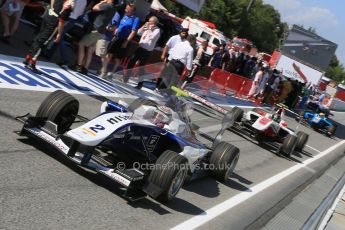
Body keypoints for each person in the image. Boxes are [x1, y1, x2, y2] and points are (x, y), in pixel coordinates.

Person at [23, 0, 75, 72]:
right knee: (43, 42)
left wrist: (52, 8)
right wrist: (59, 33)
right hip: (53, 22)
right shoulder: (68, 5)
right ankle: (32, 62)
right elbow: (61, 20)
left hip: (48, 16)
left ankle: (28, 57)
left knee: (39, 37)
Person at [75, 0, 115, 75]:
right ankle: (85, 68)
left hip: (96, 29)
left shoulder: (107, 5)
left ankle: (79, 66)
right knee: (90, 49)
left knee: (81, 44)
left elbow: (94, 8)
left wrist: (102, 2)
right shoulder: (113, 8)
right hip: (101, 31)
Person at [43, 0, 87, 66]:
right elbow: (81, 12)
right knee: (58, 35)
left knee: (59, 35)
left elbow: (69, 7)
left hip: (68, 17)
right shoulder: (84, 1)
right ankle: (48, 53)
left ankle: (64, 58)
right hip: (73, 19)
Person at [103, 3, 139, 78]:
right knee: (109, 54)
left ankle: (112, 73)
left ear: (132, 10)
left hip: (124, 40)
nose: (125, 10)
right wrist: (115, 31)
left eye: (127, 9)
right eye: (125, 8)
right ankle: (104, 70)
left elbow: (133, 32)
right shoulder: (124, 16)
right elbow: (119, 26)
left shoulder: (135, 19)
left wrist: (126, 42)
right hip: (117, 37)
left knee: (117, 58)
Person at [123, 16, 160, 88]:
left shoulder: (157, 30)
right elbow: (139, 32)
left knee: (141, 68)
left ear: (154, 23)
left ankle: (140, 84)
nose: (148, 22)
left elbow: (152, 37)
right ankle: (125, 79)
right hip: (140, 47)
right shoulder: (147, 27)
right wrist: (143, 27)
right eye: (148, 21)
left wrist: (150, 29)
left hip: (147, 51)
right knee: (131, 62)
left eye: (150, 21)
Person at [96, 10, 121, 78]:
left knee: (102, 54)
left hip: (105, 37)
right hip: (100, 34)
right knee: (99, 53)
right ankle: (102, 70)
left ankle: (104, 71)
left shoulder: (116, 15)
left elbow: (113, 27)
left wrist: (104, 27)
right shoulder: (111, 12)